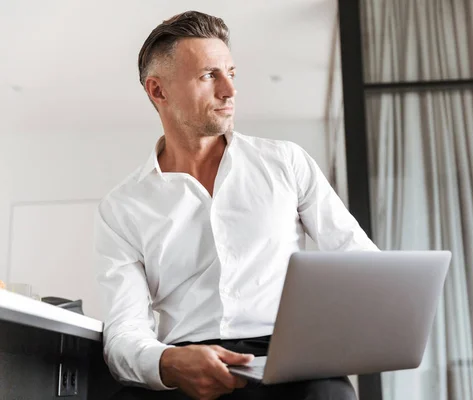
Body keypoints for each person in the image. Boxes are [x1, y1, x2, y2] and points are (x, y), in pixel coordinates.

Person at [95, 10, 377, 400]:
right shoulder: (122, 207)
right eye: (209, 75)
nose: (229, 90)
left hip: (291, 364)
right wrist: (167, 364)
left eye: (231, 72)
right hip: (187, 362)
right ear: (158, 91)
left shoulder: (285, 163)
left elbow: (361, 263)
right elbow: (124, 332)